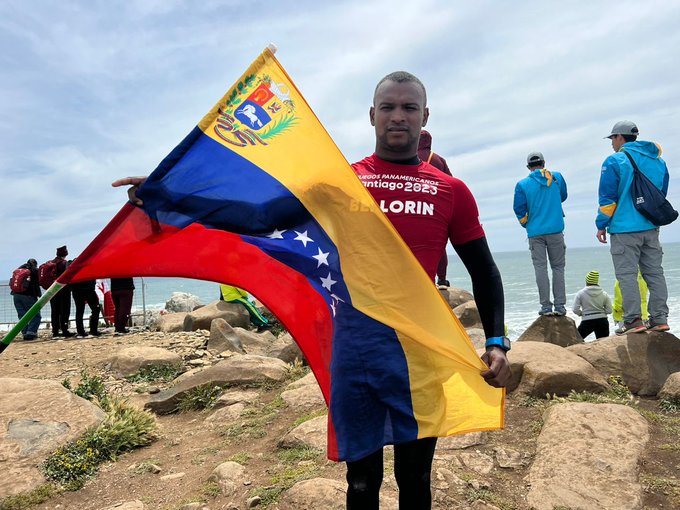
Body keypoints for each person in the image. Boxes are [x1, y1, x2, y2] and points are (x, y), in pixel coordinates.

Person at [112, 71, 511, 510]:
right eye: (389, 107)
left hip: (423, 352)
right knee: (361, 482)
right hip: (357, 347)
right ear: (372, 115)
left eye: (409, 107)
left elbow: (484, 270)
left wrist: (496, 341)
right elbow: (259, 217)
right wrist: (170, 196)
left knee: (415, 478)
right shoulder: (340, 183)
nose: (399, 116)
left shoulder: (450, 191)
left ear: (425, 116)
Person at [596, 120, 671, 334]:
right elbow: (661, 193)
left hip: (623, 228)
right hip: (651, 225)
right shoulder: (658, 161)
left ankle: (633, 321)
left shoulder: (614, 161)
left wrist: (602, 225)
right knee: (655, 273)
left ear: (620, 137)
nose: (612, 143)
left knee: (627, 275)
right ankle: (660, 319)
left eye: (612, 138)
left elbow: (608, 199)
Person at [513, 151, 568, 316]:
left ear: (528, 167)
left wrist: (527, 224)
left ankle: (545, 306)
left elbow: (519, 209)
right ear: (544, 163)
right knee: (558, 268)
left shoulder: (522, 184)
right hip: (556, 229)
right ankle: (560, 306)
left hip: (535, 232)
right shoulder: (557, 177)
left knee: (540, 269)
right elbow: (563, 196)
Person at [418, 130, 452, 288]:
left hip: (414, 207)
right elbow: (450, 183)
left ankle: (422, 281)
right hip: (435, 210)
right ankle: (442, 279)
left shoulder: (409, 157)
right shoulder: (438, 160)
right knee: (438, 247)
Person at [572, 271, 613, 339]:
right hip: (602, 321)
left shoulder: (580, 294)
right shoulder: (604, 294)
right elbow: (609, 310)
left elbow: (575, 309)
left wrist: (582, 314)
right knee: (603, 343)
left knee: (577, 340)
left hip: (587, 321)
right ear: (597, 282)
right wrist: (602, 313)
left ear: (587, 281)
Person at [11, 258, 42, 340]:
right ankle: (31, 333)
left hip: (16, 295)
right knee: (35, 315)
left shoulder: (18, 270)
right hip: (29, 296)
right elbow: (39, 282)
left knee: (22, 316)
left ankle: (25, 333)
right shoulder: (34, 270)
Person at [49, 246, 75, 338]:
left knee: (54, 311)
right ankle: (64, 329)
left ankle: (55, 331)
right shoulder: (64, 263)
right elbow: (68, 276)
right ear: (66, 253)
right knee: (64, 310)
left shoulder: (51, 263)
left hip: (52, 290)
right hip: (63, 290)